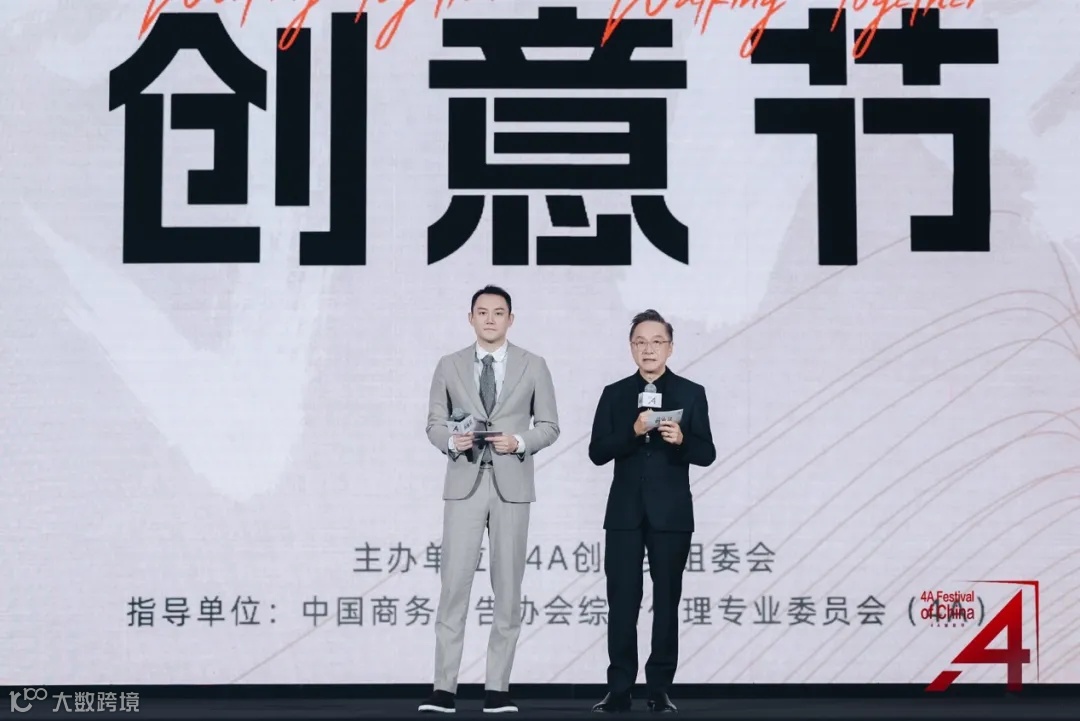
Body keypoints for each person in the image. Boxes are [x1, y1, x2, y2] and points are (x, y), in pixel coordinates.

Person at [419, 285, 561, 715]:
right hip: (464, 483)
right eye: (482, 312)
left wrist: (518, 441)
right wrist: (452, 441)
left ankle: (497, 688)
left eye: (499, 312)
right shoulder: (449, 365)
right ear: (471, 318)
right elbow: (433, 423)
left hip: (511, 486)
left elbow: (550, 426)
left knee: (508, 588)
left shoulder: (534, 365)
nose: (490, 319)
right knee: (453, 586)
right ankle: (444, 688)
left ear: (510, 319)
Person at [587, 309, 716, 714]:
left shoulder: (691, 393)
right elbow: (597, 452)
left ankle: (659, 688)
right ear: (631, 347)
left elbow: (707, 452)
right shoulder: (614, 393)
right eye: (640, 342)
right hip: (624, 514)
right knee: (622, 601)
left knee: (667, 601)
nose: (648, 349)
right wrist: (633, 432)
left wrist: (682, 441)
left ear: (670, 347)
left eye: (657, 342)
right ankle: (619, 688)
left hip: (671, 514)